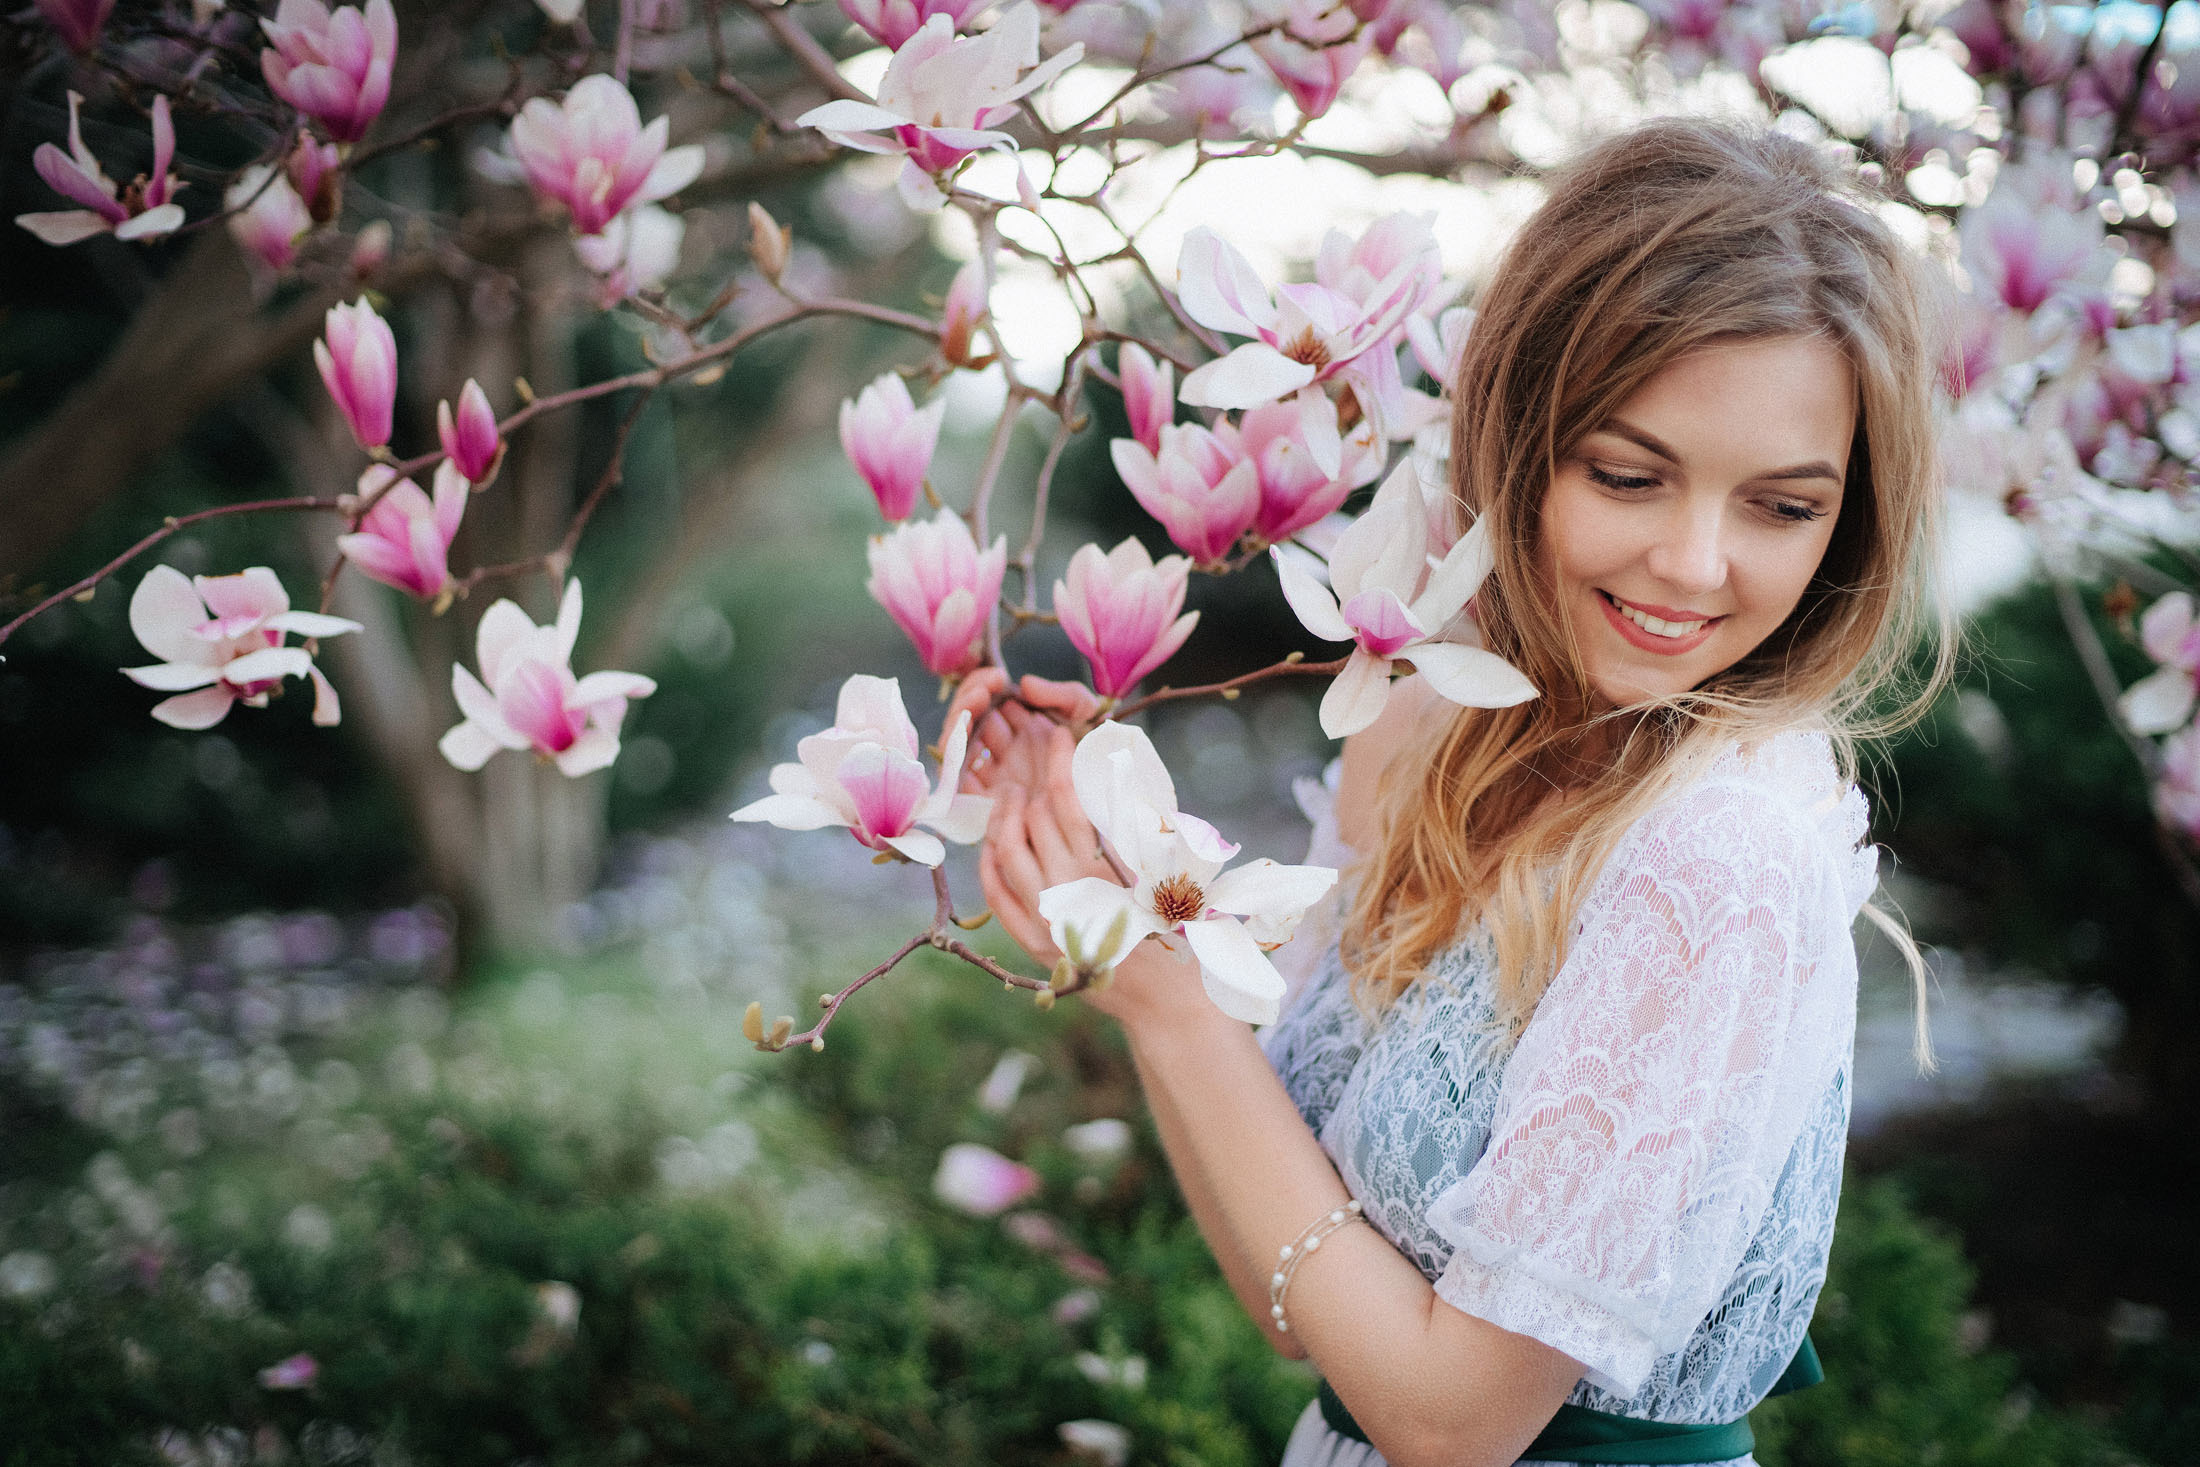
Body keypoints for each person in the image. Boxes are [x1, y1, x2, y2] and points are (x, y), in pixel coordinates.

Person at [945, 115, 1953, 1467]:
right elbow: (1309, 1311)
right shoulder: (1436, 734)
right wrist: (1117, 864)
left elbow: (1452, 1420)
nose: (1695, 566)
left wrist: (1172, 1008)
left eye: (1782, 507)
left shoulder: (1725, 851)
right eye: (1627, 475)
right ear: (1518, 440)